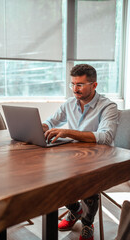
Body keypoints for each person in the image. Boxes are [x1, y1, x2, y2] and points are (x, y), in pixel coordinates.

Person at [42, 64, 118, 240]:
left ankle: (87, 222)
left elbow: (106, 137)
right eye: (73, 84)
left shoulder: (108, 106)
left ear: (94, 85)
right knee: (50, 176)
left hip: (100, 158)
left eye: (80, 85)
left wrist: (68, 132)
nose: (75, 89)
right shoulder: (69, 103)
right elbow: (52, 121)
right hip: (75, 156)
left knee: (88, 182)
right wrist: (43, 126)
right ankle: (76, 210)